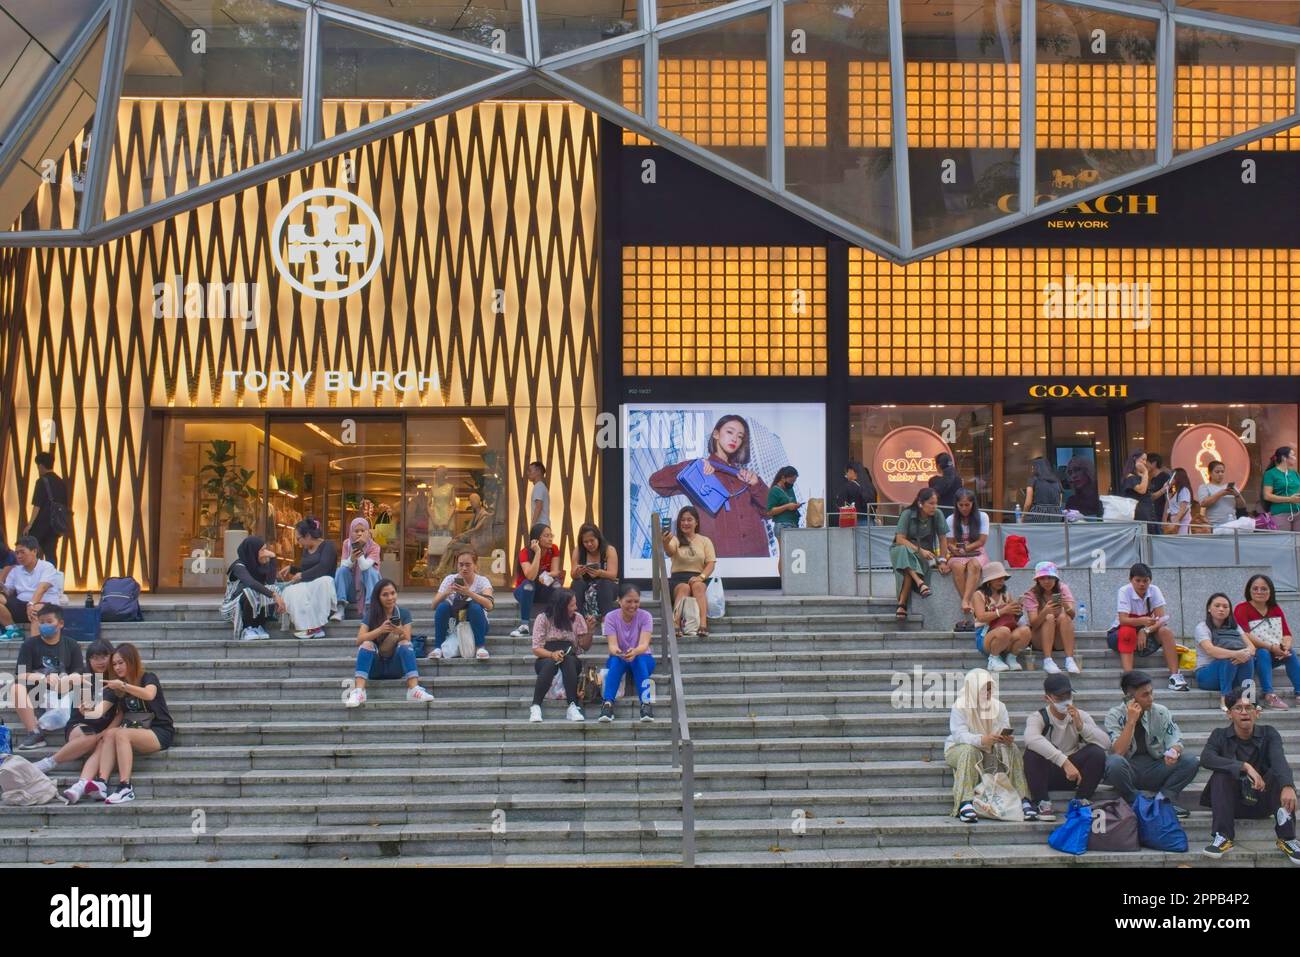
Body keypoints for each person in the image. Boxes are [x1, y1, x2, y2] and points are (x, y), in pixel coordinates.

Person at [63, 643, 176, 805]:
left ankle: (125, 787)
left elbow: (149, 695)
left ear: (132, 661)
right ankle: (101, 782)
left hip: (159, 731)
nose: (117, 667)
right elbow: (99, 711)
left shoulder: (148, 677)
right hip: (136, 731)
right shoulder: (117, 687)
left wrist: (124, 686)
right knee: (110, 733)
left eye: (121, 663)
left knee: (121, 733)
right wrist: (86, 710)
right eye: (114, 664)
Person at [649, 414, 771, 558]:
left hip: (757, 557)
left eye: (740, 436)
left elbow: (769, 511)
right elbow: (656, 482)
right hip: (719, 559)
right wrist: (693, 465)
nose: (735, 439)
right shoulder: (699, 470)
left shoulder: (747, 477)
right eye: (730, 432)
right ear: (716, 434)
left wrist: (756, 484)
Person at [1199, 688, 1300, 863]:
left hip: (1263, 803)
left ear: (1257, 713)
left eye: (1249, 707)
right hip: (1231, 805)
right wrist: (1244, 766)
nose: (1244, 712)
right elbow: (1206, 758)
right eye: (1238, 708)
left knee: (1279, 777)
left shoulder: (1269, 733)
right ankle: (1223, 838)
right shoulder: (1219, 735)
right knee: (1221, 774)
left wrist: (1288, 786)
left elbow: (1279, 761)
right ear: (1229, 714)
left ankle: (1287, 839)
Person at [944, 668, 1037, 823]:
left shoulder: (999, 707)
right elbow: (959, 735)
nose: (987, 693)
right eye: (982, 689)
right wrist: (981, 739)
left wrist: (1004, 739)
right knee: (969, 750)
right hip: (959, 749)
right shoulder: (960, 706)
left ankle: (1023, 799)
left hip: (991, 749)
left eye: (989, 689)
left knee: (1012, 748)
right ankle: (965, 803)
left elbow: (1003, 727)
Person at [1103, 670, 1199, 814]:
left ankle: (1164, 800)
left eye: (1151, 692)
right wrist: (1131, 721)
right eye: (1145, 695)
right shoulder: (1114, 715)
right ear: (1130, 698)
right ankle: (1133, 799)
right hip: (1129, 770)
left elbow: (1175, 739)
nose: (1151, 698)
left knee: (1191, 761)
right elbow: (1119, 752)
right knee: (1114, 762)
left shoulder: (1161, 712)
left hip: (1156, 767)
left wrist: (1174, 751)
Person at [1023, 673, 1111, 821]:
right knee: (1032, 752)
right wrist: (1064, 761)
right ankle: (1042, 802)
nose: (1065, 701)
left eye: (1068, 695)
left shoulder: (1080, 715)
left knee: (1097, 753)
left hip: (1074, 775)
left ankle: (1081, 800)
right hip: (1047, 773)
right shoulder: (1038, 717)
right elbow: (1030, 739)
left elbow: (1106, 743)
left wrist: (1081, 726)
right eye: (1059, 697)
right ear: (1048, 698)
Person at [31, 637, 117, 776]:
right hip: (79, 724)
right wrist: (71, 678)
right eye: (95, 657)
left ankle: (91, 780)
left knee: (100, 740)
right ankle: (49, 762)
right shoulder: (82, 674)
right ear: (89, 659)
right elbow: (59, 688)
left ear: (111, 656)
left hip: (106, 728)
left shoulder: (117, 679)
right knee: (89, 736)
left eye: (104, 656)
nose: (100, 661)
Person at [344, 578, 434, 707]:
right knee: (366, 644)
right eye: (385, 594)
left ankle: (414, 689)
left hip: (395, 667)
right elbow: (359, 639)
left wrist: (399, 631)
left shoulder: (403, 613)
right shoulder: (372, 614)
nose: (390, 597)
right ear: (378, 597)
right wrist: (380, 630)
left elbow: (407, 638)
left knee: (405, 643)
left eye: (392, 593)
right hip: (374, 667)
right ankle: (359, 691)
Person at [11, 604, 84, 751]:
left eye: (49, 621)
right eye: (41, 622)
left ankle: (49, 723)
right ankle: (35, 733)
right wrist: (42, 678)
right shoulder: (30, 644)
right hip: (38, 693)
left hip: (63, 693)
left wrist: (66, 680)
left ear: (60, 623)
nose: (44, 625)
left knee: (76, 685)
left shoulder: (71, 644)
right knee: (16, 687)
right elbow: (21, 674)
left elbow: (78, 672)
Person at [1107, 562, 1188, 690]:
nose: (1142, 584)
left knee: (1166, 631)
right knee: (1127, 631)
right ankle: (1129, 678)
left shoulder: (1154, 590)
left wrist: (1145, 630)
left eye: (1145, 581)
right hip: (1119, 634)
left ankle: (1175, 676)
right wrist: (1142, 622)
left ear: (1150, 580)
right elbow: (1123, 620)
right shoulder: (1124, 591)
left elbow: (1162, 619)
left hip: (1147, 632)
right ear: (1130, 580)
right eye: (1137, 580)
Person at [1234, 573, 1299, 710]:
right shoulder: (1241, 608)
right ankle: (1269, 694)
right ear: (1249, 591)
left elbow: (1286, 634)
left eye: (1264, 589)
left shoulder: (1275, 609)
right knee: (1262, 652)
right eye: (1255, 588)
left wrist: (1285, 647)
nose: (1259, 592)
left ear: (1270, 591)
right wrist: (1271, 647)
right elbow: (1245, 635)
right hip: (1252, 658)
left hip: (1274, 653)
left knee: (1291, 653)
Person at [529, 588, 592, 723]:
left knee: (568, 660)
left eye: (575, 604)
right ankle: (536, 706)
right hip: (546, 656)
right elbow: (536, 648)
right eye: (572, 605)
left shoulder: (578, 618)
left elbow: (584, 646)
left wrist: (590, 630)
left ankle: (572, 706)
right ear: (561, 606)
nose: (575, 608)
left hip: (570, 656)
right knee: (550, 663)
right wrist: (552, 654)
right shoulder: (543, 618)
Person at [890, 487, 950, 622]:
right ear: (920, 503)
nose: (934, 507)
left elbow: (942, 539)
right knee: (903, 552)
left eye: (936, 503)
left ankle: (902, 604)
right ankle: (920, 582)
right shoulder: (907, 514)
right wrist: (919, 550)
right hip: (902, 549)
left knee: (907, 564)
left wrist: (942, 560)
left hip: (925, 554)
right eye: (931, 503)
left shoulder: (938, 514)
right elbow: (900, 540)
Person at [599, 584, 655, 723]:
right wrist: (618, 652)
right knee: (616, 662)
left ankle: (646, 704)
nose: (633, 605)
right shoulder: (610, 617)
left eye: (636, 601)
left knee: (640, 660)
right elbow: (612, 646)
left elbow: (644, 645)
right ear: (619, 600)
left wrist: (635, 651)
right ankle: (608, 704)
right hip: (620, 656)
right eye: (628, 601)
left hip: (643, 656)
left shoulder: (646, 616)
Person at [277, 517, 338, 639]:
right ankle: (305, 626)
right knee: (291, 591)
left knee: (323, 582)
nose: (298, 542)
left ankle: (316, 627)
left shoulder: (328, 546)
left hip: (323, 583)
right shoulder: (306, 550)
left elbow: (323, 567)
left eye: (299, 538)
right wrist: (293, 569)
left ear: (308, 536)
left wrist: (302, 575)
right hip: (308, 584)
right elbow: (306, 570)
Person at [1194, 592, 1255, 712]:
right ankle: (1225, 697)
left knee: (1249, 658)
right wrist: (1236, 654)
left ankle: (1249, 698)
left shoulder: (1235, 627)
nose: (1221, 609)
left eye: (1225, 607)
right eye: (1217, 606)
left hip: (1231, 673)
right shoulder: (1202, 627)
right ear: (1209, 609)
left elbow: (1252, 648)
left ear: (1229, 610)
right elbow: (1211, 650)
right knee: (1227, 658)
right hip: (1207, 676)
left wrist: (1244, 655)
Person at [430, 549, 494, 660]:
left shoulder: (482, 581)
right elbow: (433, 606)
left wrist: (468, 593)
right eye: (461, 564)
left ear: (475, 565)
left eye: (468, 565)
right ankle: (438, 648)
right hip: (454, 624)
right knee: (443, 606)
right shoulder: (449, 579)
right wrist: (446, 592)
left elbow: (489, 605)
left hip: (477, 623)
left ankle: (480, 647)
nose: (464, 568)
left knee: (475, 605)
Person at [663, 506, 716, 637]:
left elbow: (711, 563)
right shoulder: (675, 539)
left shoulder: (705, 540)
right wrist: (665, 543)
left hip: (698, 577)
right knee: (684, 588)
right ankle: (675, 624)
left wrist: (701, 577)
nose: (685, 523)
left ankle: (703, 625)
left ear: (696, 522)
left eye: (689, 520)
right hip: (678, 579)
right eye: (682, 520)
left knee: (697, 586)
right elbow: (670, 551)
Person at [221, 535, 285, 641]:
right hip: (232, 606)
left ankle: (259, 626)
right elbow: (250, 583)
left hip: (254, 603)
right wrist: (273, 595)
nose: (266, 553)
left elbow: (270, 582)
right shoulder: (238, 566)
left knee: (271, 588)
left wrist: (273, 558)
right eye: (263, 550)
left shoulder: (260, 565)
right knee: (250, 591)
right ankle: (247, 628)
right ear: (253, 551)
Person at [0, 535, 66, 635]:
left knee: (35, 610)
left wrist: (31, 604)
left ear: (34, 551)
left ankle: (33, 645)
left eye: (22, 552)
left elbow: (42, 588)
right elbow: (8, 591)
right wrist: (2, 586)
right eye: (17, 553)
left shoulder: (47, 567)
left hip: (44, 605)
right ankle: (12, 630)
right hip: (22, 605)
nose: (19, 556)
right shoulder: (15, 570)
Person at [972, 561, 1030, 673]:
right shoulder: (978, 595)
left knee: (1026, 631)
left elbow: (1012, 615)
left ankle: (1011, 657)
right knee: (1004, 631)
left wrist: (1017, 611)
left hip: (1007, 631)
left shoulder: (1005, 594)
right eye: (998, 578)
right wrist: (1002, 611)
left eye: (1003, 578)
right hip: (985, 634)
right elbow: (981, 617)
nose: (1001, 581)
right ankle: (993, 659)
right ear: (989, 580)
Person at [1022, 561, 1078, 675]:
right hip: (1039, 639)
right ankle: (1047, 660)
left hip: (1058, 639)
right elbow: (1033, 624)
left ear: (1055, 578)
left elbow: (1072, 616)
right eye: (1042, 578)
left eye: (1050, 577)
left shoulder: (1063, 588)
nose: (1046, 581)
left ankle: (1070, 659)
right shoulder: (1031, 594)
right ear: (1037, 580)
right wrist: (1044, 612)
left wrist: (1065, 604)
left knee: (1064, 617)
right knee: (1049, 617)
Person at [945, 488, 988, 626]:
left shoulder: (982, 517)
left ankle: (965, 600)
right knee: (957, 566)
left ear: (973, 504)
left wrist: (965, 549)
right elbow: (949, 543)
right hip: (958, 553)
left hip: (976, 551)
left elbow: (981, 541)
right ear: (956, 505)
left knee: (974, 565)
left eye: (967, 505)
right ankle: (968, 602)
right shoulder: (951, 519)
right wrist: (955, 549)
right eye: (961, 505)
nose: (964, 508)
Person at [510, 522, 561, 637]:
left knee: (556, 585)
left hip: (542, 589)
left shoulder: (553, 549)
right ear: (536, 539)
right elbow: (530, 576)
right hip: (524, 591)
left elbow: (555, 571)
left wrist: (546, 575)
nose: (550, 539)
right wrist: (537, 552)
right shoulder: (525, 552)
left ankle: (554, 624)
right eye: (546, 536)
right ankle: (524, 626)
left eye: (551, 535)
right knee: (529, 584)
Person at [332, 517, 381, 621]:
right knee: (341, 570)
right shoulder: (347, 543)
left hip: (367, 589)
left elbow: (364, 566)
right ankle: (340, 608)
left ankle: (370, 609)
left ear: (368, 532)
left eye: (363, 531)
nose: (359, 534)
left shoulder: (374, 546)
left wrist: (359, 548)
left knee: (370, 571)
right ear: (351, 531)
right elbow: (343, 565)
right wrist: (351, 558)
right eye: (356, 531)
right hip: (352, 590)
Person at [23, 450, 68, 563]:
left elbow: (37, 505)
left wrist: (30, 524)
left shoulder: (41, 481)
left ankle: (34, 578)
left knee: (32, 552)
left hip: (41, 524)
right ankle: (51, 578)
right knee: (51, 554)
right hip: (55, 526)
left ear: (41, 466)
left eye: (38, 466)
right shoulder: (61, 482)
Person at [571, 523, 619, 626]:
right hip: (586, 583)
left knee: (604, 583)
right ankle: (578, 619)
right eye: (585, 542)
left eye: (592, 540)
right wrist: (578, 572)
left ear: (598, 538)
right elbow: (573, 575)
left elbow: (613, 575)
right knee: (576, 583)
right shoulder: (578, 550)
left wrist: (600, 573)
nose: (589, 544)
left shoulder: (609, 550)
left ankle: (607, 620)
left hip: (606, 584)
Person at [1196, 461, 1253, 533]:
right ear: (1210, 473)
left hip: (1232, 523)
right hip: (1215, 525)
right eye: (1217, 472)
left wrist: (1237, 495)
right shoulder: (1204, 487)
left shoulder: (1231, 487)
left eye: (1222, 472)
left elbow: (1242, 506)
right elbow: (1203, 503)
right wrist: (1221, 493)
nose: (1220, 474)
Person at [1262, 445, 1300, 532]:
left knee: (1298, 542)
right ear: (1284, 458)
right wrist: (1290, 499)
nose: (1295, 458)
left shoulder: (1294, 473)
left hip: (1298, 512)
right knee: (1283, 541)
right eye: (1293, 455)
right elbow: (1267, 496)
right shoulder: (1270, 474)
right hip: (1280, 513)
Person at [1119, 450, 1158, 533]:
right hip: (1139, 516)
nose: (1144, 463)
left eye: (1145, 460)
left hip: (1148, 514)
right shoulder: (1130, 477)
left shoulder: (1141, 476)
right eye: (1142, 459)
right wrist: (1145, 472)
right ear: (1134, 459)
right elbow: (1142, 490)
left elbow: (1149, 495)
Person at [1021, 456, 1063, 522]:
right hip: (1056, 515)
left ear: (1037, 468)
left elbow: (1028, 503)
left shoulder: (1032, 480)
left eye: (1033, 466)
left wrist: (1023, 516)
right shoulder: (1056, 480)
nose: (1032, 469)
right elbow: (1060, 501)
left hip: (1038, 514)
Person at [837, 461, 875, 526]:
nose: (846, 475)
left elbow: (841, 503)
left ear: (852, 471)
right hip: (870, 521)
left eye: (847, 472)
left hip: (854, 521)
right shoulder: (869, 486)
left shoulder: (848, 486)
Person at [767, 465, 802, 533]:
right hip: (783, 525)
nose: (792, 484)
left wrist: (796, 505)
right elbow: (770, 511)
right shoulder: (774, 490)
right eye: (791, 481)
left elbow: (791, 504)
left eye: (794, 481)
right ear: (783, 478)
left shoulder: (790, 489)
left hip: (794, 524)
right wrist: (787, 507)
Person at [1146, 453, 1172, 534]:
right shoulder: (1151, 478)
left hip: (1160, 516)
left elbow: (1168, 498)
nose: (1145, 465)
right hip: (1152, 516)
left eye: (1146, 462)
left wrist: (1164, 518)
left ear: (1154, 463)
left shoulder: (1165, 477)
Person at [1164, 467, 1193, 534]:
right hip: (1176, 521)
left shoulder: (1184, 490)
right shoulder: (1176, 491)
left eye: (1173, 477)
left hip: (1182, 522)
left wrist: (1174, 523)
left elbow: (1182, 509)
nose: (1171, 479)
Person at [527, 461, 551, 528]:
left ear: (538, 471)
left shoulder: (539, 486)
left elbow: (538, 506)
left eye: (530, 470)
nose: (528, 473)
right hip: (543, 526)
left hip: (540, 527)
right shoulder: (541, 486)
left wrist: (533, 525)